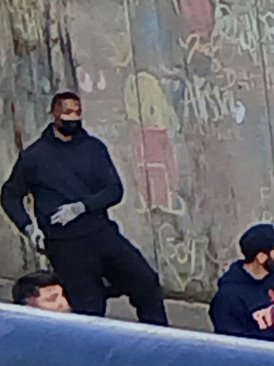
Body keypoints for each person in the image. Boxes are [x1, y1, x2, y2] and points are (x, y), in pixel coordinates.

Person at [3, 88, 166, 323]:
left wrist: (82, 206)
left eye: (76, 114)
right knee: (88, 307)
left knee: (146, 282)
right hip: (65, 244)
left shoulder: (94, 148)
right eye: (66, 114)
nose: (72, 120)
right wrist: (29, 228)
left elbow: (114, 190)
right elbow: (10, 195)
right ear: (54, 115)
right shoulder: (35, 156)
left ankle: (157, 338)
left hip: (102, 233)